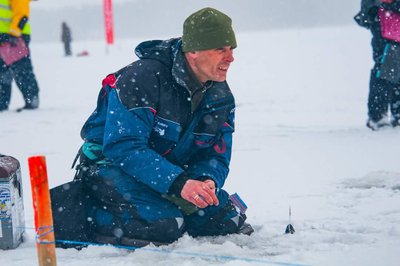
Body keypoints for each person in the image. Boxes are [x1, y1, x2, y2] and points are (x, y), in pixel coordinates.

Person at [51, 7, 253, 248]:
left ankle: (167, 204)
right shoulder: (143, 79)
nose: (230, 57)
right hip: (110, 169)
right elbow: (123, 147)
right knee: (165, 224)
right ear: (194, 51)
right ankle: (87, 212)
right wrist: (179, 184)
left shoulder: (220, 96)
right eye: (220, 49)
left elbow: (216, 154)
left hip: (170, 172)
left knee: (226, 219)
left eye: (231, 49)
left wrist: (206, 180)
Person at [354, 0, 400, 130]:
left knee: (393, 68)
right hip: (386, 20)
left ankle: (394, 113)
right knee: (386, 69)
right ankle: (378, 116)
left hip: (389, 18)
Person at [0, 0, 40, 112]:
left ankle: (32, 99)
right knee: (2, 73)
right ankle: (2, 103)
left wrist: (15, 33)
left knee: (22, 70)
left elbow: (22, 13)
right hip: (3, 37)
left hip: (14, 36)